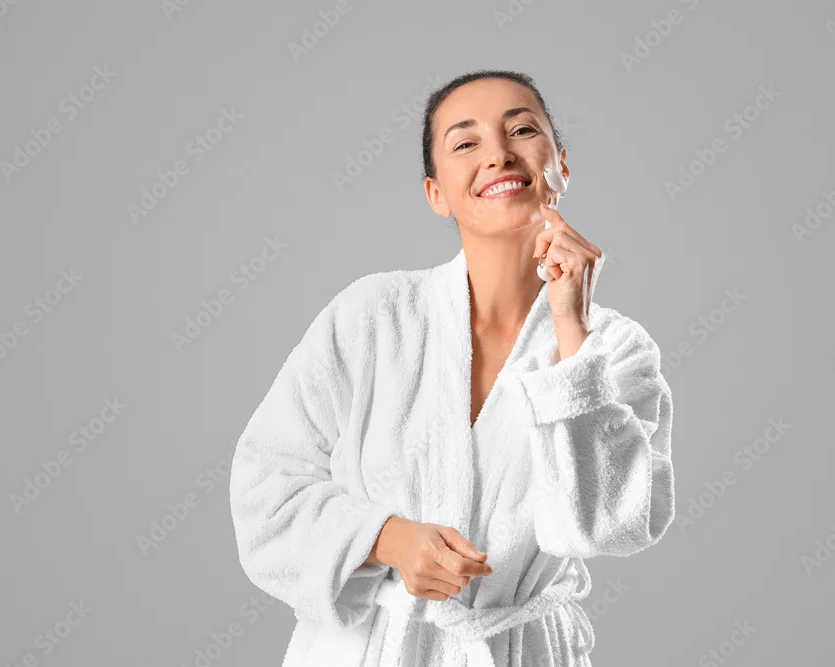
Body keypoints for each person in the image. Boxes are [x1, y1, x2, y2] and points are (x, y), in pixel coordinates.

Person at [228, 69, 676, 667]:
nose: (498, 154)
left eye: (522, 130)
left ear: (561, 166)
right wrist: (385, 539)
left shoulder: (614, 349)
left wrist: (572, 331)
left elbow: (609, 526)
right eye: (466, 142)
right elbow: (264, 487)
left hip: (521, 650)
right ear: (436, 192)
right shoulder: (372, 317)